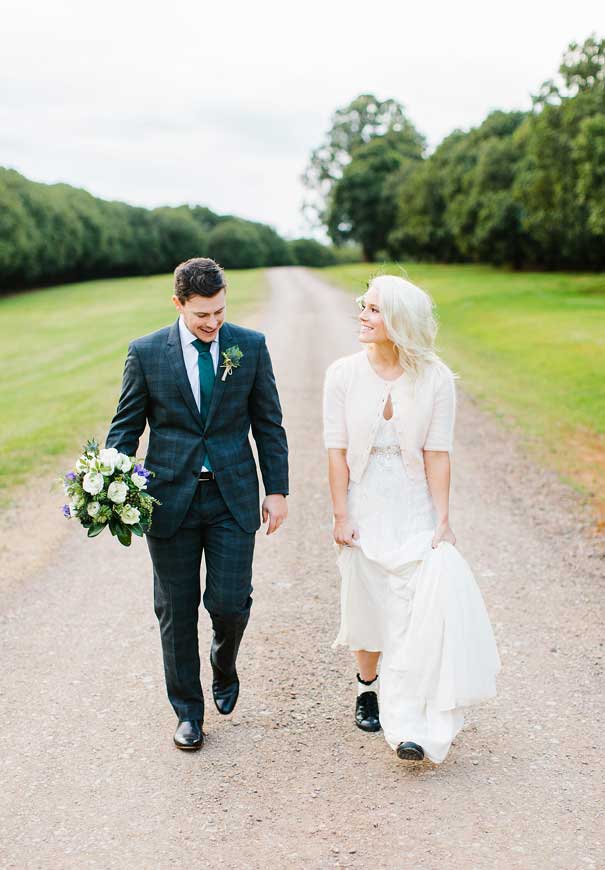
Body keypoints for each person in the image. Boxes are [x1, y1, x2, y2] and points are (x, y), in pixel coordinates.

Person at [106, 257, 289, 750]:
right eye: (202, 315)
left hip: (233, 496)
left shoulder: (250, 346)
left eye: (220, 312)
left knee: (230, 603)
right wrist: (108, 483)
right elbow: (126, 428)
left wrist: (276, 489)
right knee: (176, 611)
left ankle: (224, 661)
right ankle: (188, 712)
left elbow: (268, 423)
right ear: (178, 304)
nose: (213, 323)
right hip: (169, 500)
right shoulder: (146, 353)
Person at [323, 274, 500, 764]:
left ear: (399, 320)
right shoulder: (342, 374)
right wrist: (341, 514)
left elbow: (437, 453)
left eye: (373, 309)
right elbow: (336, 452)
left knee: (410, 612)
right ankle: (367, 687)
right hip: (363, 505)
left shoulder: (436, 378)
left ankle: (409, 726)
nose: (362, 315)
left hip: (413, 506)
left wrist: (442, 519)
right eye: (363, 305)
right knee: (366, 603)